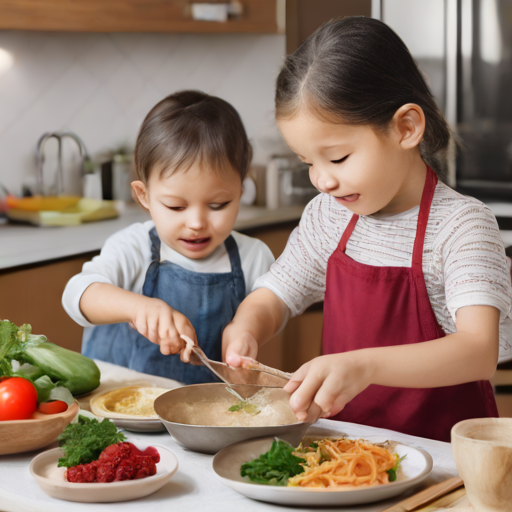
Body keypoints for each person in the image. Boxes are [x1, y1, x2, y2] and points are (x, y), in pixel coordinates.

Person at [222, 17, 512, 442]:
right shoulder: (328, 215)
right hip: (344, 451)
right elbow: (277, 294)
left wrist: (364, 365)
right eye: (309, 163)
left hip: (444, 460)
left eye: (337, 158)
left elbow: (478, 352)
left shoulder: (461, 226)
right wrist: (246, 327)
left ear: (406, 128)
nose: (322, 180)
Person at [62, 90, 274, 384]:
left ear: (241, 190)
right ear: (144, 196)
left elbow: (275, 310)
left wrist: (247, 333)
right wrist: (138, 308)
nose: (197, 222)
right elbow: (76, 294)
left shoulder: (253, 257)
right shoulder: (133, 247)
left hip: (204, 419)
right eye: (176, 206)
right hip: (119, 412)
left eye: (218, 205)